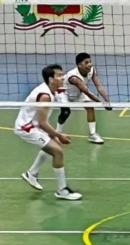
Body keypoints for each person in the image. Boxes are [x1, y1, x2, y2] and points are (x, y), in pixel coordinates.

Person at [16, 64, 82, 201]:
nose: (62, 77)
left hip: (35, 125)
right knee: (57, 151)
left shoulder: (53, 90)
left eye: (62, 74)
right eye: (59, 75)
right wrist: (59, 135)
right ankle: (62, 190)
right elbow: (43, 123)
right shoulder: (45, 96)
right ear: (51, 79)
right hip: (27, 128)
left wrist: (54, 137)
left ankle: (32, 173)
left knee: (53, 146)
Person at [56, 52, 112, 144]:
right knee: (65, 112)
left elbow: (99, 86)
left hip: (78, 92)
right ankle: (57, 133)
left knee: (90, 107)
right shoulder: (74, 77)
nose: (90, 64)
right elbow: (87, 92)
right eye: (86, 62)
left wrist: (107, 101)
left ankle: (92, 135)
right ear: (80, 65)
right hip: (64, 93)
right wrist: (101, 104)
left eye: (90, 61)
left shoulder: (92, 70)